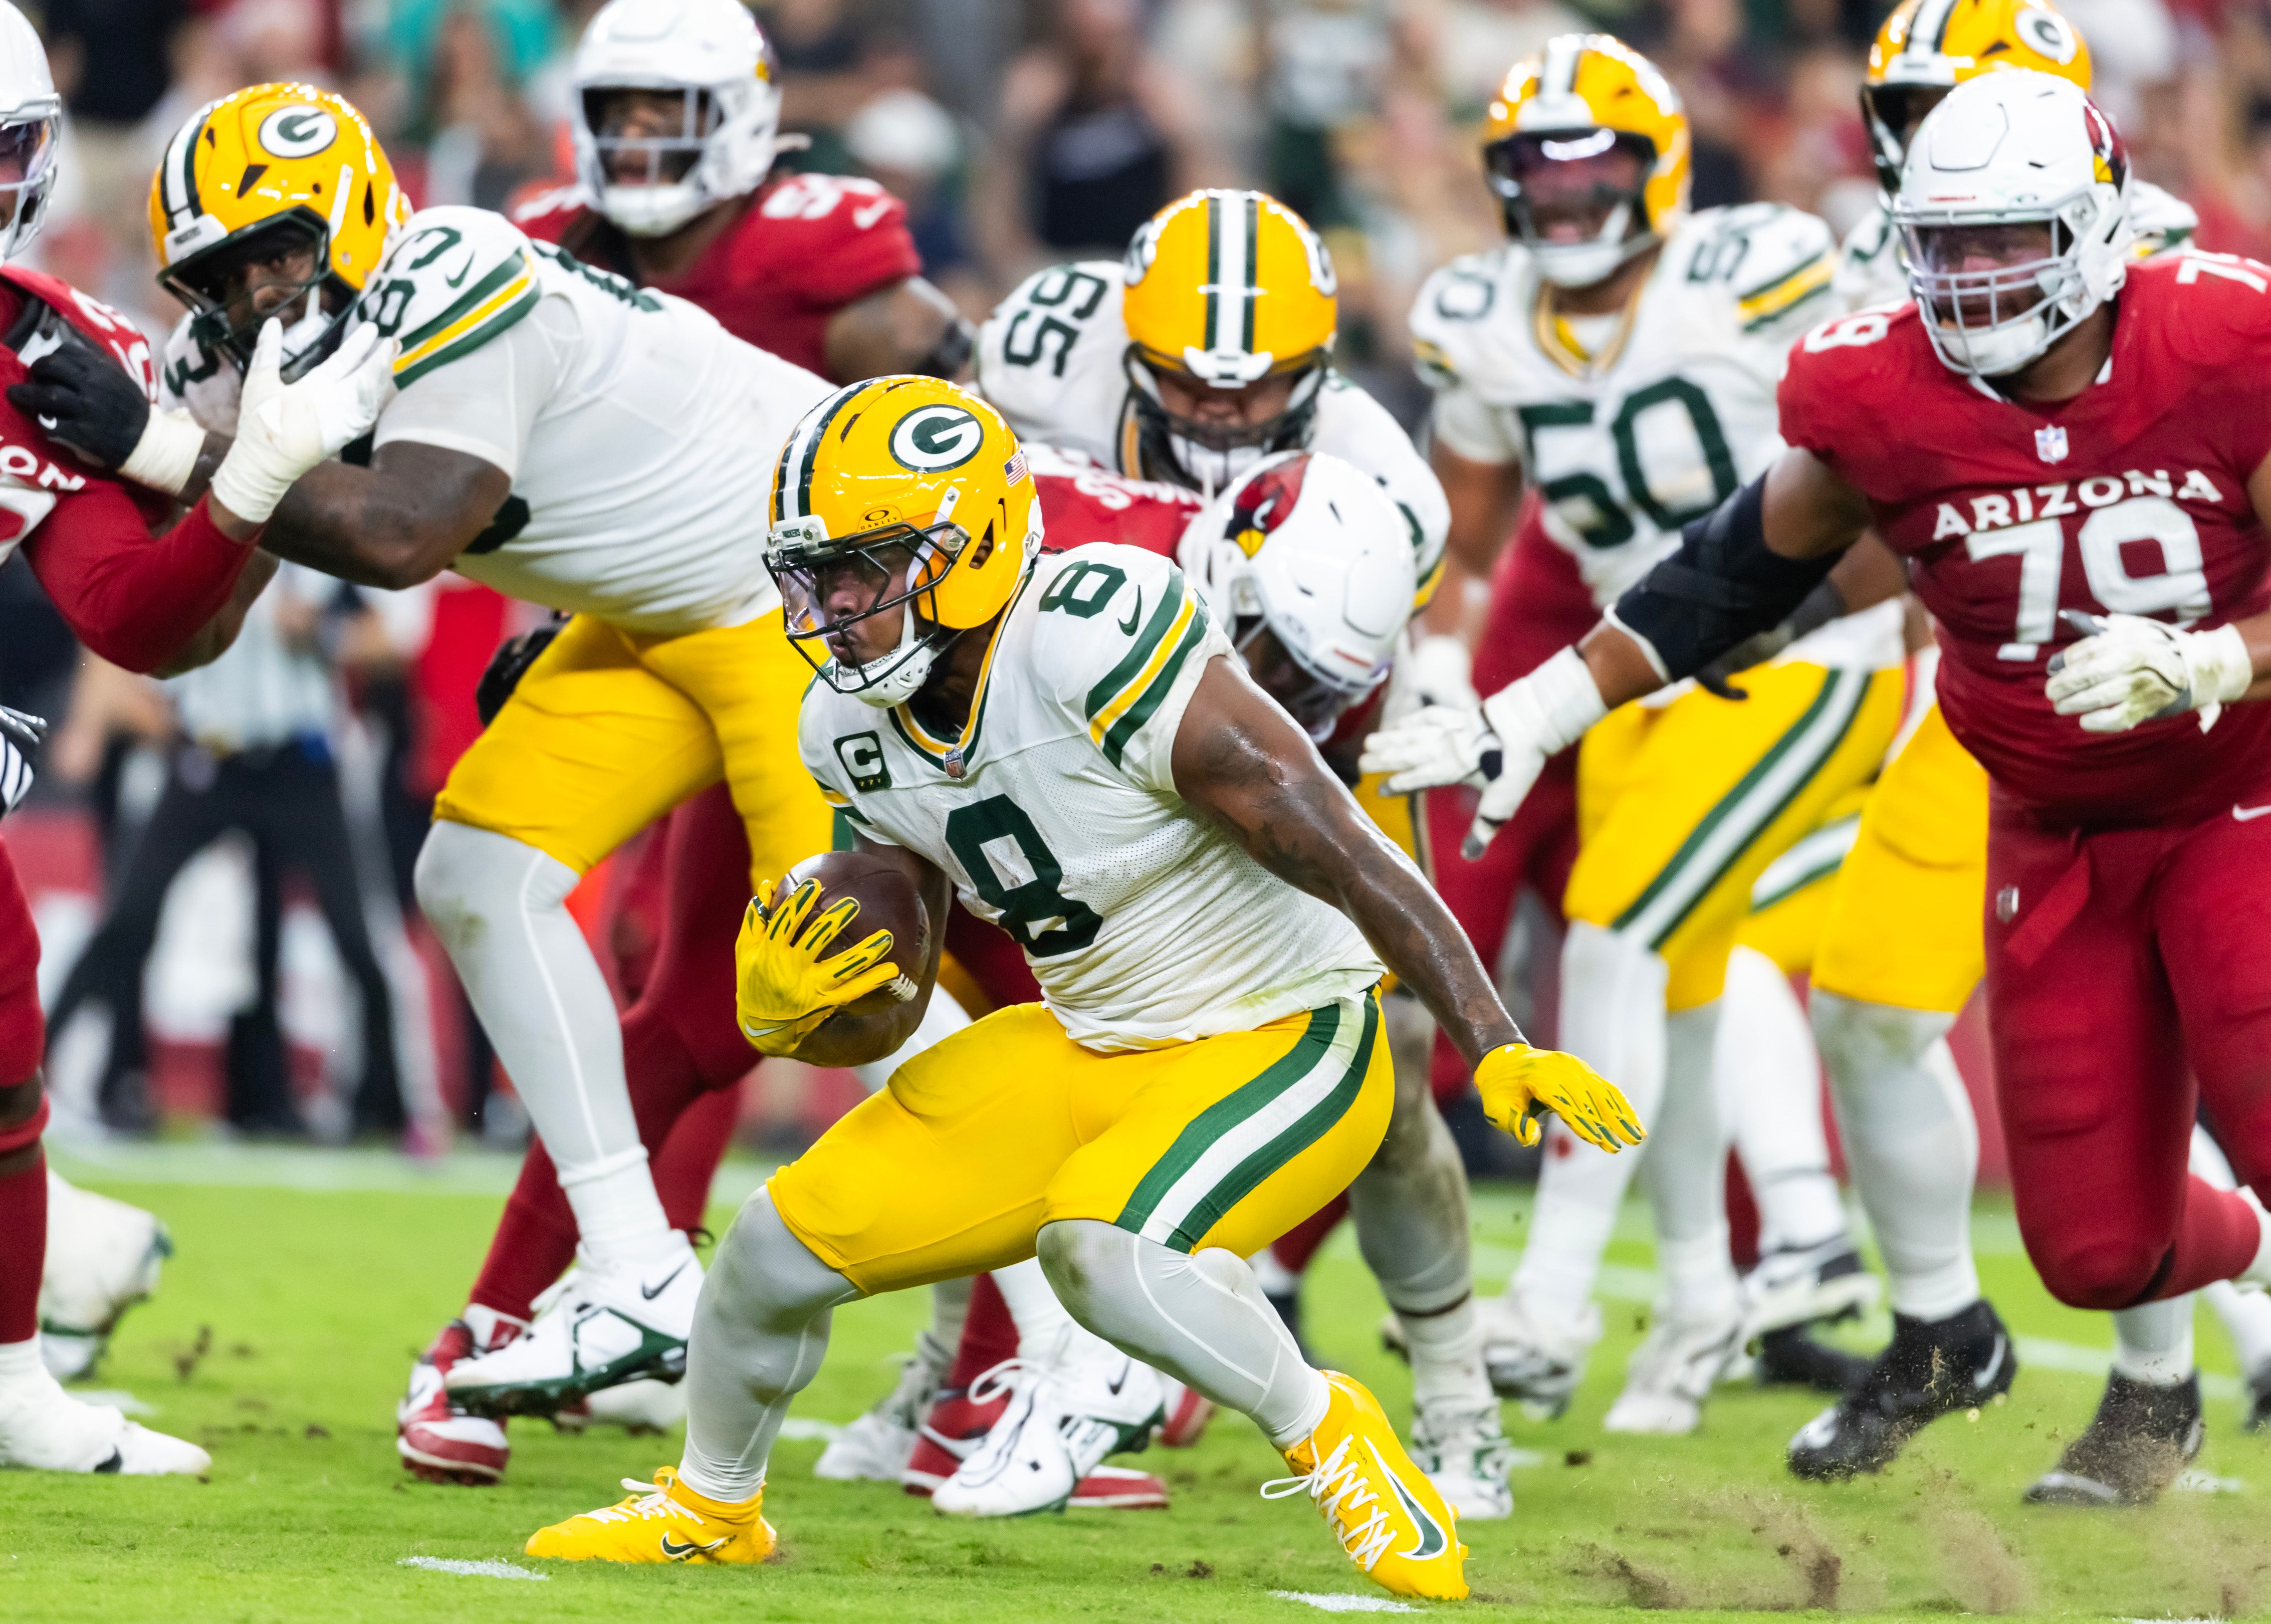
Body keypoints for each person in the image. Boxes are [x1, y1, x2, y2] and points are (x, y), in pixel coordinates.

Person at [521, 377, 1642, 1600]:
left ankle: (1331, 1434)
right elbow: (896, 984)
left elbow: (1333, 838)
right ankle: (709, 1505)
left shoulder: (1094, 631)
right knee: (772, 1250)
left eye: (862, 567)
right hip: (1089, 1040)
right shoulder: (845, 721)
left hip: (1278, 1033)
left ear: (966, 553)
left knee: (1098, 1253)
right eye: (813, 572)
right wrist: (799, 1003)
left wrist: (1490, 1038)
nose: (832, 605)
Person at [1368, 67, 2271, 1500]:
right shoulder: (1878, 386)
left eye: (2007, 244)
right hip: (2044, 817)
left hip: (2240, 794)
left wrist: (2214, 662)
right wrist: (1531, 710)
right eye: (1948, 245)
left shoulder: (2225, 340)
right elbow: (1732, 573)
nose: (1972, 280)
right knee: (2092, 1254)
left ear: (2099, 231)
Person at [19, 78, 842, 1422]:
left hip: (799, 603)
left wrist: (172, 449)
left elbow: (406, 534)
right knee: (472, 875)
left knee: (857, 984)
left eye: (278, 250)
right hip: (648, 622)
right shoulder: (225, 363)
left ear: (352, 218)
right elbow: (198, 626)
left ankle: (1041, 1347)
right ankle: (636, 1273)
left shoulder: (447, 260)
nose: (256, 293)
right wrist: (201, 471)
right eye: (220, 275)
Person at [396, 0, 972, 1489]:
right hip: (659, 629)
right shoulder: (539, 244)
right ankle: (544, 1302)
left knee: (823, 981)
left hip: (819, 644)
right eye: (620, 113)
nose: (642, 142)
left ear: (748, 117)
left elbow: (937, 412)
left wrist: (924, 627)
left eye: (672, 113)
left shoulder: (819, 243)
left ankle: (1030, 1356)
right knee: (671, 989)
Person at [970, 187, 1519, 1514]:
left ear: (1317, 366)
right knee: (1014, 1029)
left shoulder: (1378, 476)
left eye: (1257, 392)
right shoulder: (1039, 364)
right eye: (1190, 392)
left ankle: (1454, 1398)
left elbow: (1321, 698)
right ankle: (976, 1368)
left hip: (1287, 735)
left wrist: (1428, 673)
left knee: (1384, 1077)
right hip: (1065, 723)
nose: (1219, 420)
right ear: (1129, 349)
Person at [1401, 32, 1904, 1435]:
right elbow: (1473, 516)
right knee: (1667, 991)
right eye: (1533, 175)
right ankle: (1693, 1291)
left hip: (1813, 654)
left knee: (1618, 930)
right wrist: (1443, 654)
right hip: (1645, 679)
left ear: (1659, 166)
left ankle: (1555, 1299)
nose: (1562, 203)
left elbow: (1879, 441)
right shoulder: (1480, 318)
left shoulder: (1752, 271)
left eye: (1593, 169)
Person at [1824, 0, 2271, 1501]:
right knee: (1869, 1007)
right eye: (1901, 117)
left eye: (1945, 114)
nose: (1918, 148)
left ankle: (2157, 1388)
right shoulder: (1900, 264)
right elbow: (1858, 505)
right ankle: (1946, 1319)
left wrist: (2209, 656)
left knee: (2223, 1031)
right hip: (1988, 705)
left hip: (2200, 704)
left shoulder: (2171, 283)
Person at [0, 0, 391, 1473]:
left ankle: (13, 1378)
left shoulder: (53, 352)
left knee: (4, 1016)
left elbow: (136, 615)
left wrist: (254, 483)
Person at [43, 565, 405, 1138]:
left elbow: (390, 642)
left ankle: (386, 1107)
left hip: (299, 762)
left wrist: (323, 632)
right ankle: (31, 1069)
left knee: (355, 935)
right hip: (210, 757)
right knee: (128, 916)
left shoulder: (315, 560)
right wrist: (110, 719)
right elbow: (117, 634)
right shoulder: (195, 546)